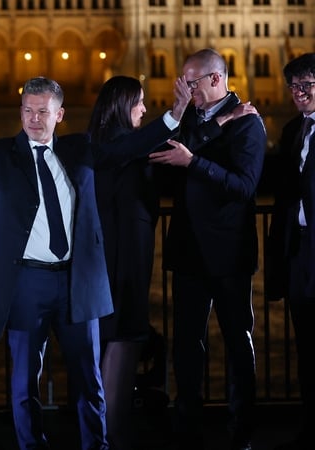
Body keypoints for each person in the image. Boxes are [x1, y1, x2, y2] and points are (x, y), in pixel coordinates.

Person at [0, 76, 186, 450]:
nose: (34, 119)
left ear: (59, 114)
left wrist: (175, 115)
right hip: (26, 285)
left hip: (75, 283)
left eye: (43, 112)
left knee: (89, 380)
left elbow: (128, 147)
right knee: (23, 384)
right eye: (28, 111)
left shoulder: (81, 149)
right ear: (21, 112)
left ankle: (95, 446)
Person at [147, 48, 265, 450]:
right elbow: (164, 162)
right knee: (186, 344)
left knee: (237, 343)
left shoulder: (248, 123)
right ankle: (187, 425)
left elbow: (244, 188)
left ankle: (241, 430)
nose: (185, 89)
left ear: (216, 79)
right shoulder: (191, 119)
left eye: (191, 82)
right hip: (188, 251)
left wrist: (194, 163)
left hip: (229, 253)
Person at [88, 75, 188, 450]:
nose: (144, 110)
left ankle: (109, 431)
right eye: (140, 103)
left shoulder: (116, 142)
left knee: (120, 337)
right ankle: (113, 434)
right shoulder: (116, 144)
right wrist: (174, 112)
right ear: (121, 104)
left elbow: (156, 145)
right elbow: (144, 142)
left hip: (121, 258)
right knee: (124, 336)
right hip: (122, 260)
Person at [265, 52, 315, 450]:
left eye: (307, 86)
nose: (299, 94)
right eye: (294, 87)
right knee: (306, 346)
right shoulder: (292, 129)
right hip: (300, 253)